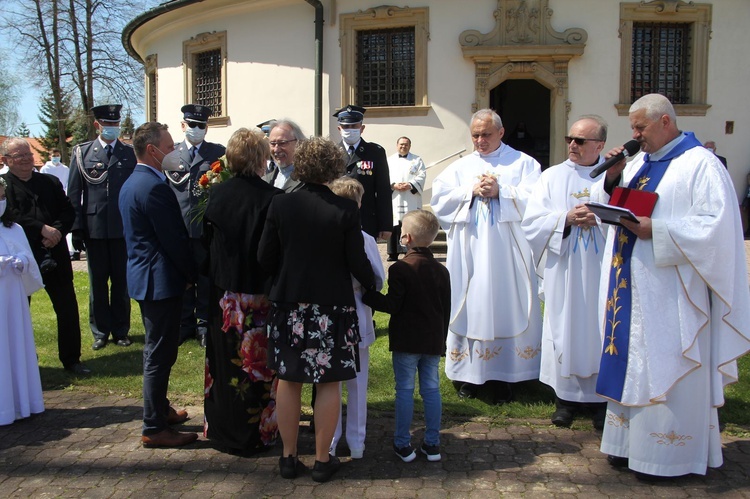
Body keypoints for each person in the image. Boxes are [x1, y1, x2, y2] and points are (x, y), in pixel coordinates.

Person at [592, 93, 750, 479]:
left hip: (674, 293)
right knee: (631, 360)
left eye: (640, 127)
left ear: (665, 122)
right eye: (633, 127)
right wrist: (613, 177)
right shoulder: (640, 162)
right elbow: (617, 204)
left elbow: (716, 227)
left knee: (667, 364)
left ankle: (666, 455)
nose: (635, 135)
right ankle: (627, 445)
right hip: (629, 285)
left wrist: (657, 230)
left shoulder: (701, 165)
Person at [258, 136, 375, 483]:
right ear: (334, 167)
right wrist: (374, 285)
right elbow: (358, 262)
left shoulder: (281, 205)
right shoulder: (345, 210)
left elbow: (264, 258)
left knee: (289, 380)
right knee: (328, 383)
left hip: (289, 305)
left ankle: (289, 457)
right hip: (332, 309)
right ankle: (323, 461)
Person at [431, 108, 542, 404]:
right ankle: (469, 374)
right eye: (476, 135)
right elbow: (439, 200)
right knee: (471, 305)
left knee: (506, 304)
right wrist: (470, 190)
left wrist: (501, 191)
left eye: (486, 134)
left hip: (508, 256)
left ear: (501, 133)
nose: (480, 140)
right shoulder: (461, 168)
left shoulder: (524, 163)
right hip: (470, 253)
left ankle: (508, 375)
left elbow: (539, 202)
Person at [521, 116, 609, 428]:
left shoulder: (611, 179)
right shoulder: (552, 177)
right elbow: (532, 222)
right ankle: (565, 400)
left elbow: (627, 217)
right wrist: (566, 218)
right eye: (570, 138)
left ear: (599, 145)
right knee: (564, 327)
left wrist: (597, 219)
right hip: (565, 267)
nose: (572, 144)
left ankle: (602, 401)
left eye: (580, 141)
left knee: (600, 327)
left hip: (601, 269)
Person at [202, 128, 282, 455]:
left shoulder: (217, 196)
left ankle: (224, 431)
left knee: (227, 364)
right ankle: (258, 435)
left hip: (227, 299)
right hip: (260, 297)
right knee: (259, 369)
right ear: (262, 158)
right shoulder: (273, 199)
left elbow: (207, 249)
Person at [119, 122, 198, 448]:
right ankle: (153, 427)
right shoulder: (151, 187)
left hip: (149, 278)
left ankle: (161, 410)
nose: (174, 151)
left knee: (160, 351)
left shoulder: (134, 182)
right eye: (168, 146)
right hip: (159, 281)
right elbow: (174, 240)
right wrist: (195, 273)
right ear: (151, 150)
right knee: (159, 354)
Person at [362, 209, 450, 463]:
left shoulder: (401, 268)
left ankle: (403, 443)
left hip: (407, 340)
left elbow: (392, 305)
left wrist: (366, 295)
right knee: (431, 390)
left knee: (405, 390)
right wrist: (441, 341)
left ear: (406, 237)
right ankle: (432, 443)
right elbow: (446, 308)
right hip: (433, 340)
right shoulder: (441, 270)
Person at [2, 138, 90, 376]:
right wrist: (41, 229)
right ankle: (25, 362)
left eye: (28, 154)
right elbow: (11, 214)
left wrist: (57, 231)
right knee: (20, 310)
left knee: (67, 307)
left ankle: (72, 359)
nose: (26, 159)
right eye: (19, 156)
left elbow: (67, 209)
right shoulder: (5, 186)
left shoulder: (49, 182)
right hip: (23, 255)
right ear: (7, 160)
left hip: (56, 251)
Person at [68, 104, 136, 351]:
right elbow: (74, 194)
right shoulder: (82, 153)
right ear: (97, 125)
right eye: (107, 125)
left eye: (115, 124)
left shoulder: (129, 153)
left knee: (121, 282)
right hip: (94, 229)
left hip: (122, 229)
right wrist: (76, 229)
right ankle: (100, 331)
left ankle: (120, 330)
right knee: (98, 284)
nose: (112, 128)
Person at [328, 177, 385, 460]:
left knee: (330, 382)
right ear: (359, 205)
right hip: (357, 310)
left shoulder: (324, 235)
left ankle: (332, 438)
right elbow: (378, 278)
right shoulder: (365, 239)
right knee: (357, 382)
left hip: (333, 315)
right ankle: (356, 442)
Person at [166, 104, 226, 347]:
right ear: (183, 126)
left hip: (206, 229)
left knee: (205, 278)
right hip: (180, 228)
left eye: (201, 125)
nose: (197, 129)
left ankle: (203, 323)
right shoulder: (171, 156)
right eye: (192, 125)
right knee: (182, 277)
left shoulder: (218, 153)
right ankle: (184, 323)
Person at [0, 176, 45, 425]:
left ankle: (21, 401)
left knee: (15, 344)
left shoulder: (13, 229)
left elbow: (29, 259)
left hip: (13, 299)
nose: (1, 201)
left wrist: (22, 262)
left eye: (3, 197)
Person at [334, 105, 392, 240]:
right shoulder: (332, 152)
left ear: (362, 128)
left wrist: (385, 224)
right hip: (337, 217)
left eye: (354, 126)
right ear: (339, 129)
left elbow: (383, 190)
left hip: (366, 220)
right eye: (346, 127)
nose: (350, 130)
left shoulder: (375, 152)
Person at [386, 137, 426, 261]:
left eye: (406, 144)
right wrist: (393, 185)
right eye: (401, 144)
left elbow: (422, 175)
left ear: (410, 146)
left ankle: (409, 250)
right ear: (397, 145)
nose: (403, 146)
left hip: (410, 197)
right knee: (394, 223)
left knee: (410, 223)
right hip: (395, 196)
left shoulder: (417, 160)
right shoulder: (389, 160)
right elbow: (383, 175)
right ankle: (392, 253)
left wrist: (410, 185)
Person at [40, 148, 78, 261]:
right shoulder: (45, 169)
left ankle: (72, 250)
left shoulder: (65, 168)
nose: (56, 157)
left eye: (58, 155)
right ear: (50, 156)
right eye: (54, 155)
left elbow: (68, 183)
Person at [262, 119, 305, 193]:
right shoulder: (265, 180)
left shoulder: (306, 180)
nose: (276, 149)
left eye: (282, 143)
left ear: (298, 143)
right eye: (272, 143)